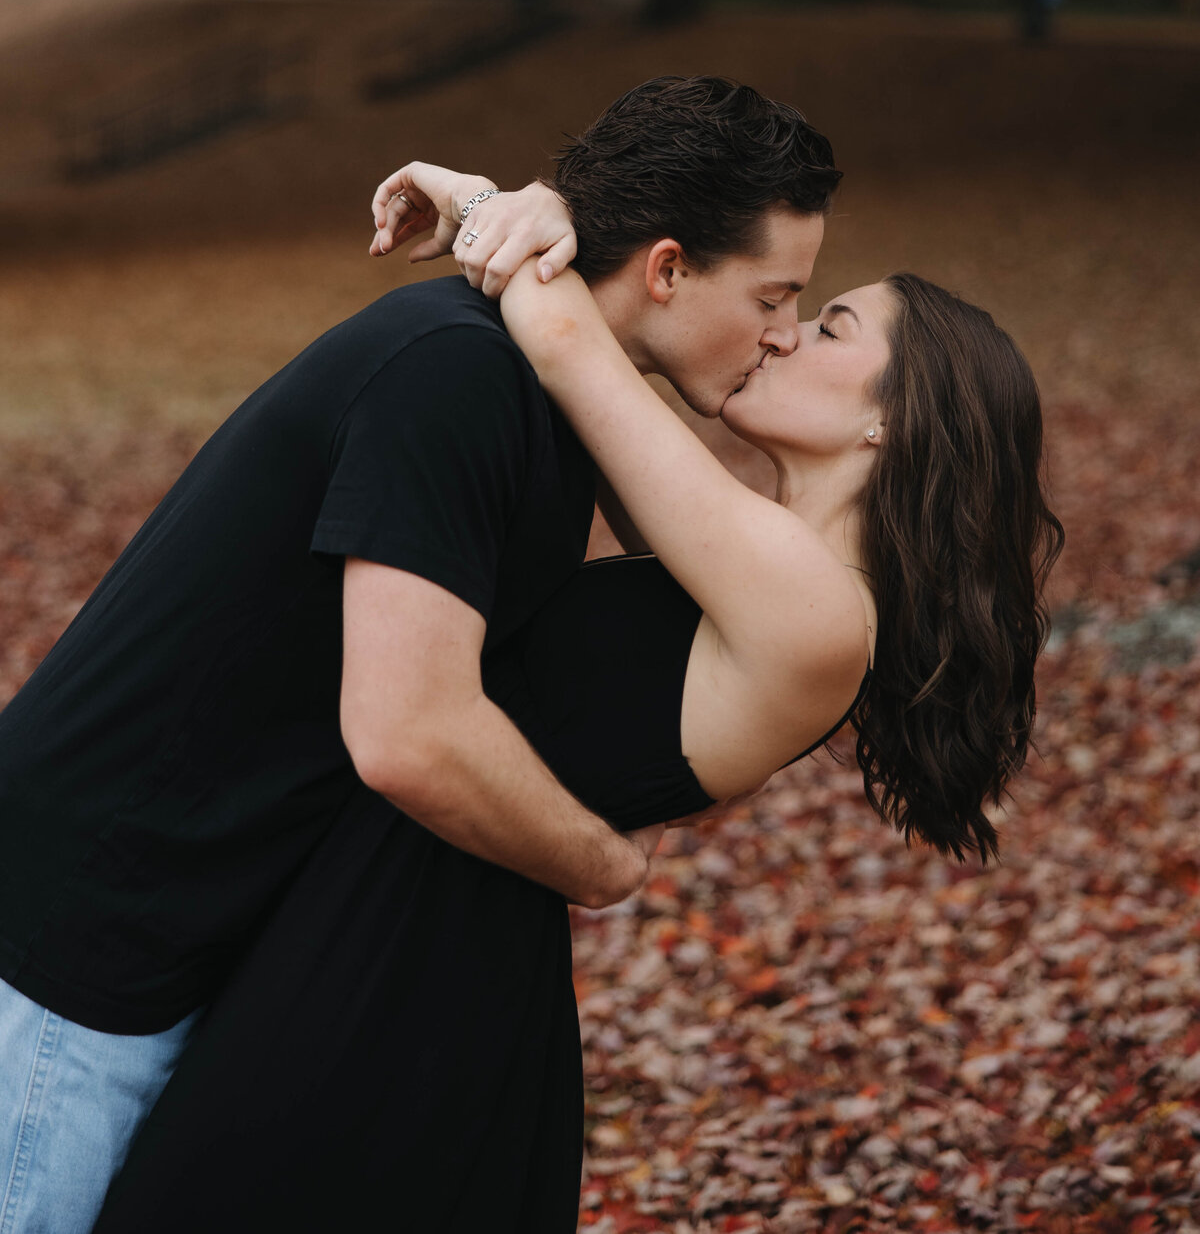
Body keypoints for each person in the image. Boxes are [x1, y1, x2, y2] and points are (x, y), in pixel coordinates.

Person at [90, 161, 1062, 1233]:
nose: (784, 336)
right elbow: (604, 391)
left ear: (895, 422)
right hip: (407, 931)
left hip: (407, 968)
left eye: (828, 326)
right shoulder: (767, 567)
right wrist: (564, 222)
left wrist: (498, 206)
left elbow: (570, 349)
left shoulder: (817, 610)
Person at [0, 76, 839, 1234]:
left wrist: (512, 209)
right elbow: (409, 732)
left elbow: (686, 579)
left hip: (178, 933)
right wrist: (603, 867)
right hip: (75, 954)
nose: (784, 331)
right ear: (667, 269)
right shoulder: (456, 375)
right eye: (776, 296)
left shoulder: (537, 386)